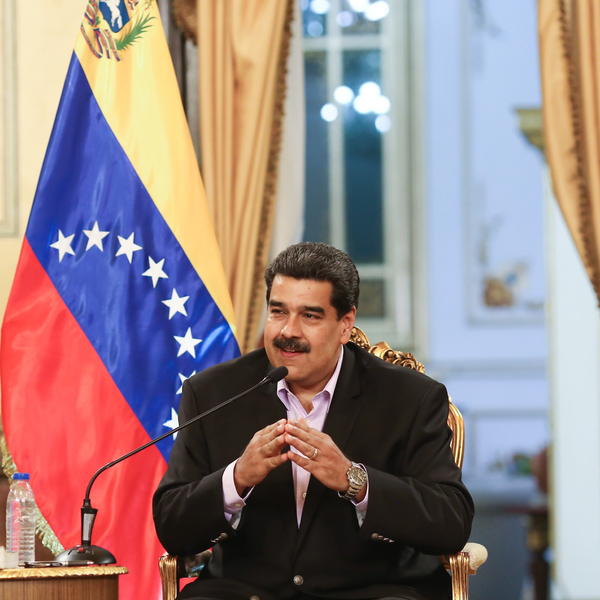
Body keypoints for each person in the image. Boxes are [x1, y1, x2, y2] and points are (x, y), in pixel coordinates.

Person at [153, 242, 474, 600]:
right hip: (245, 591)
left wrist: (355, 481)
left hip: (370, 592)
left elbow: (450, 522)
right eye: (278, 312)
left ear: (345, 324)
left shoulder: (409, 397)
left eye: (310, 316)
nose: (288, 331)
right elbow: (172, 526)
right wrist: (237, 478)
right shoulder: (214, 393)